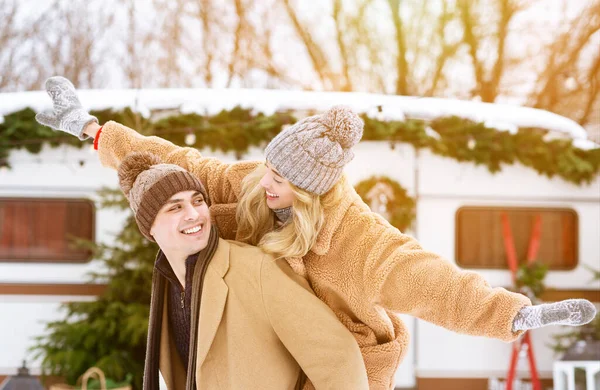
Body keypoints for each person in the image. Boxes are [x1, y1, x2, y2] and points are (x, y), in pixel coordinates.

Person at [37, 76, 597, 390]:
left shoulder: (353, 238)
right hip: (269, 350)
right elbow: (178, 163)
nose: (266, 182)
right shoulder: (259, 185)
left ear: (310, 192)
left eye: (281, 179)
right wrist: (91, 128)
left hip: (340, 366)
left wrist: (512, 314)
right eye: (269, 168)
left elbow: (426, 278)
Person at [114, 151, 369, 390]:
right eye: (175, 207)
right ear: (150, 228)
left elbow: (339, 357)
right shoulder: (166, 285)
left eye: (198, 201)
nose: (194, 214)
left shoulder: (257, 269)